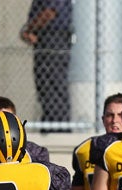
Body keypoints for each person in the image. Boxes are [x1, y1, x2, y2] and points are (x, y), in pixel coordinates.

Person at [20, 0, 73, 133]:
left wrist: (29, 29)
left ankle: (58, 127)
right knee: (45, 85)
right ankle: (50, 122)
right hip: (45, 38)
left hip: (53, 37)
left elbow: (50, 12)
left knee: (54, 83)